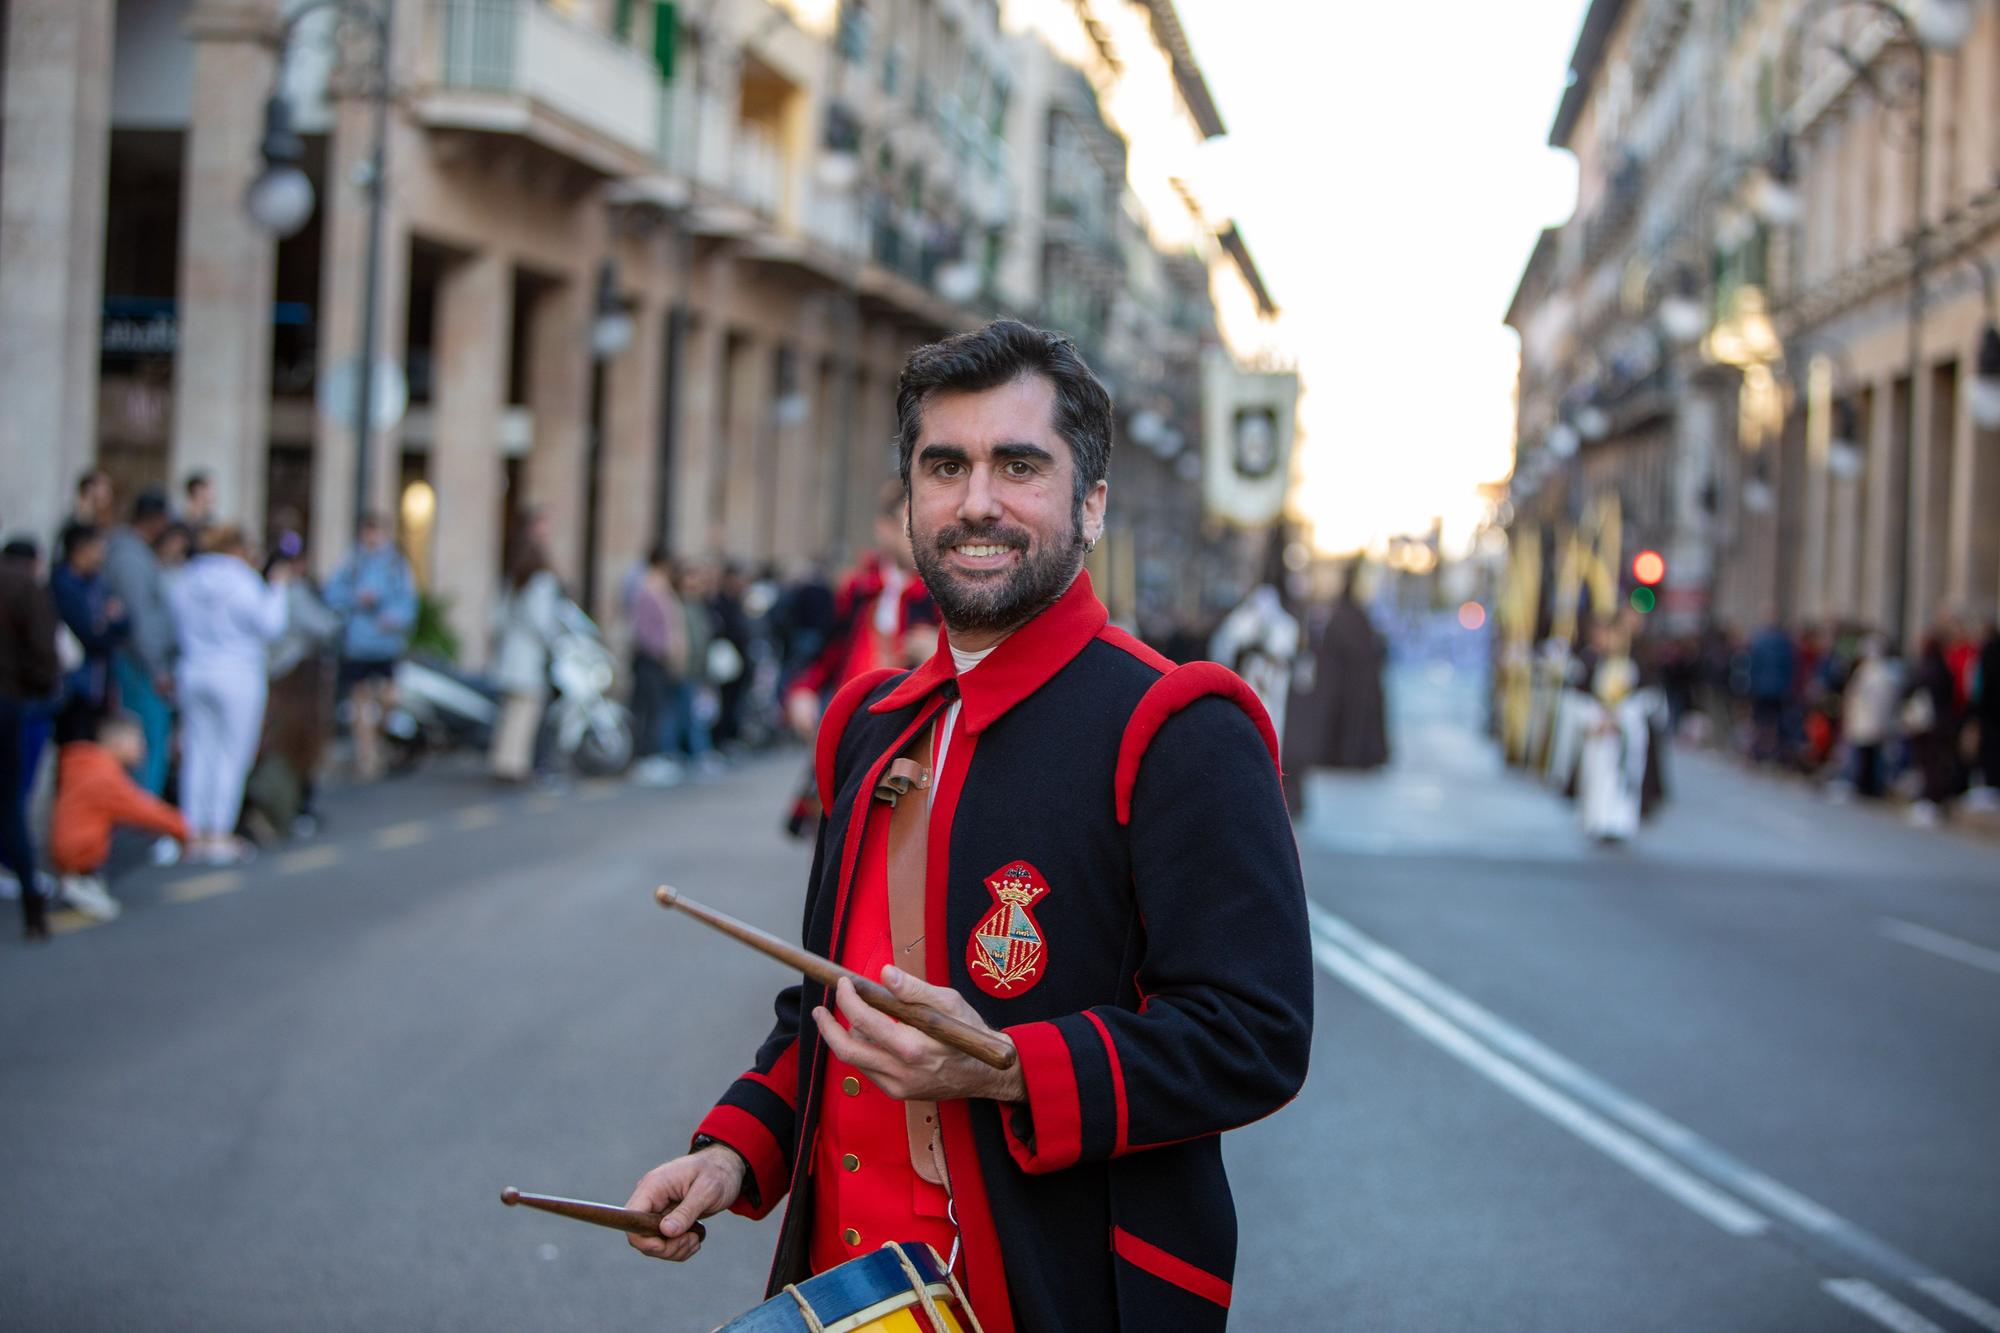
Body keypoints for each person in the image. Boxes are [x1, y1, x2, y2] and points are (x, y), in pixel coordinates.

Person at [623, 320, 1313, 1332]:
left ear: (1090, 504)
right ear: (910, 498)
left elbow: (1252, 1035)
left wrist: (1005, 1067)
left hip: (1054, 1289)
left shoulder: (1175, 726)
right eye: (943, 466)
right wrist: (731, 1153)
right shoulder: (865, 724)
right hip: (850, 1299)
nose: (976, 500)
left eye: (1017, 465)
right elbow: (826, 1001)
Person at [168, 525, 291, 863]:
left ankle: (192, 832)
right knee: (231, 756)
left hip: (193, 669)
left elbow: (173, 618)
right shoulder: (242, 579)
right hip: (236, 673)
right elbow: (272, 626)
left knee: (197, 753)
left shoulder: (188, 578)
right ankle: (218, 833)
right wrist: (278, 586)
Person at [49, 715, 189, 921]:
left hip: (64, 848)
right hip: (80, 850)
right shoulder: (102, 773)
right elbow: (144, 811)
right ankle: (89, 881)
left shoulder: (84, 764)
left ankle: (81, 879)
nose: (142, 748)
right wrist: (184, 829)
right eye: (138, 740)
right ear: (118, 741)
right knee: (154, 832)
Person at [323, 513, 418, 782]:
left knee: (389, 700)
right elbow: (332, 594)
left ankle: (378, 742)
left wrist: (396, 619)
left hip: (386, 643)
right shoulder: (353, 562)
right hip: (359, 643)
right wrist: (356, 599)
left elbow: (409, 601)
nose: (372, 537)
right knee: (360, 702)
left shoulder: (395, 564)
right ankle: (367, 758)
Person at [1, 537, 61, 939]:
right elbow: (45, 656)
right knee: (8, 803)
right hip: (6, 704)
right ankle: (32, 904)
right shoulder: (25, 587)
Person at [101, 489, 178, 796]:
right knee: (144, 744)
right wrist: (157, 668)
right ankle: (140, 825)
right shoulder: (129, 557)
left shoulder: (135, 554)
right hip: (138, 665)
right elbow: (139, 617)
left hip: (139, 662)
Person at [490, 529, 563, 783]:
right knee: (525, 713)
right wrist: (555, 641)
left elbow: (497, 619)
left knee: (511, 713)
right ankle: (515, 764)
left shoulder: (515, 581)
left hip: (510, 655)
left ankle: (503, 760)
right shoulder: (541, 583)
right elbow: (543, 622)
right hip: (528, 658)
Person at [50, 522, 127, 740]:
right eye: (98, 547)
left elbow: (124, 622)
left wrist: (109, 624)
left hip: (99, 681)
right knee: (73, 743)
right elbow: (89, 632)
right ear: (81, 549)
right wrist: (107, 624)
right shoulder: (63, 584)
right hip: (73, 684)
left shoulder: (98, 583)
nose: (101, 554)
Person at [626, 547, 689, 787]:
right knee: (650, 709)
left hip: (657, 659)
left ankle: (651, 755)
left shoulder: (659, 591)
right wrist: (662, 651)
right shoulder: (647, 591)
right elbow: (645, 630)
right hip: (650, 660)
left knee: (656, 708)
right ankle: (645, 757)